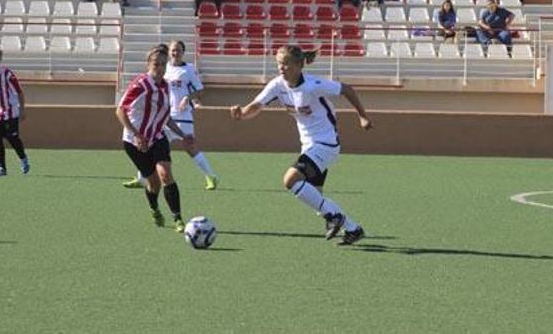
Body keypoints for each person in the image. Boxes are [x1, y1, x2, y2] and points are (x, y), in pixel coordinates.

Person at [229, 46, 373, 245]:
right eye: (279, 63)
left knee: (290, 180)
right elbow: (257, 105)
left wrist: (363, 117)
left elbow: (347, 89)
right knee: (315, 198)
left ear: (299, 65)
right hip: (309, 146)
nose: (281, 67)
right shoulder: (277, 85)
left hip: (326, 143)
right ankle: (353, 229)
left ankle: (334, 217)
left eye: (286, 63)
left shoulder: (313, 85)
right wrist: (242, 114)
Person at [124, 40, 220, 190]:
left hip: (182, 115)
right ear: (169, 53)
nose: (176, 53)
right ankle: (142, 179)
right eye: (173, 50)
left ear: (183, 52)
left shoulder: (188, 69)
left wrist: (187, 98)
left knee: (190, 147)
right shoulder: (163, 67)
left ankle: (211, 176)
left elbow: (200, 90)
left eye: (179, 50)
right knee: (150, 146)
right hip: (162, 116)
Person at [116, 46, 191, 232]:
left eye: (163, 64)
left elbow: (165, 116)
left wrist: (183, 135)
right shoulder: (140, 84)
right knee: (154, 183)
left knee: (165, 174)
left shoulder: (166, 86)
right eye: (156, 64)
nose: (160, 67)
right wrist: (136, 134)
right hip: (134, 142)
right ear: (148, 64)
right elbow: (120, 110)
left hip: (157, 137)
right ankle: (155, 208)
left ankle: (178, 218)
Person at [0, 48, 30, 176]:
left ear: (0, 60)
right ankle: (1, 168)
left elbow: (19, 92)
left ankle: (23, 158)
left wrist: (22, 110)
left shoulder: (7, 74)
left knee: (12, 137)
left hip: (10, 111)